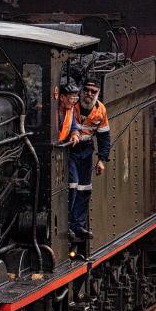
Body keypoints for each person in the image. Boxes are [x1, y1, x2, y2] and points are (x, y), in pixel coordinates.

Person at [57, 79, 110, 253]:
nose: (89, 94)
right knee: (73, 184)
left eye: (93, 92)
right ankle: (68, 223)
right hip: (71, 150)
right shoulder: (73, 106)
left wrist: (102, 159)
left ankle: (78, 225)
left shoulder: (100, 110)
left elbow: (104, 137)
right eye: (86, 90)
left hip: (86, 151)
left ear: (98, 94)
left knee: (84, 188)